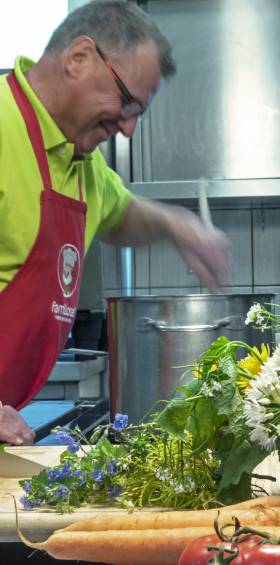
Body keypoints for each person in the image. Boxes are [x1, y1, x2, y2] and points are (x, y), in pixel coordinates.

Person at [0, 0, 231, 446]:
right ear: (79, 58)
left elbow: (124, 214)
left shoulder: (80, 163)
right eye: (128, 103)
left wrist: (177, 224)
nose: (127, 129)